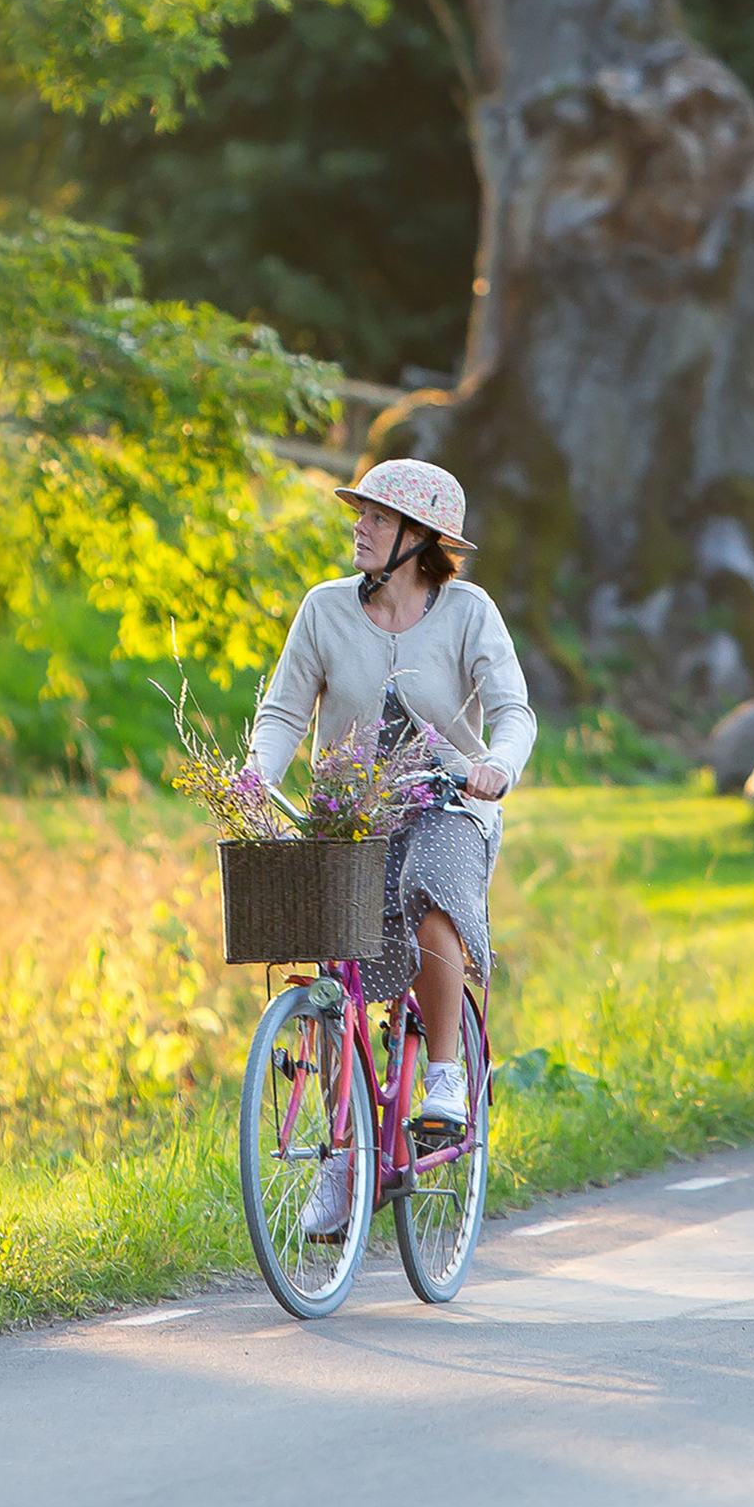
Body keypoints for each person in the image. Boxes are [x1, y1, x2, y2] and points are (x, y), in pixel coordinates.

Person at [247, 458, 534, 1239]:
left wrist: (497, 766)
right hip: (351, 813)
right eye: (361, 512)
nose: (360, 526)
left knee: (436, 885)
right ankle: (345, 1155)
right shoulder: (325, 609)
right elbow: (281, 712)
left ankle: (442, 1072)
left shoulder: (468, 612)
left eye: (377, 516)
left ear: (418, 538)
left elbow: (513, 710)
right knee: (333, 967)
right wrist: (254, 775)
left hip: (450, 804)